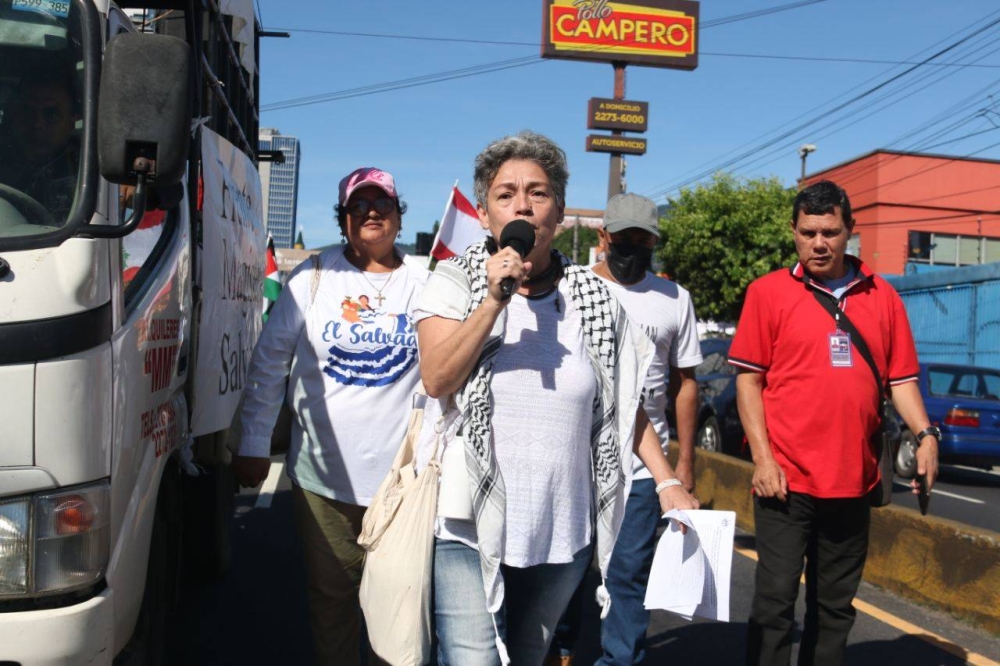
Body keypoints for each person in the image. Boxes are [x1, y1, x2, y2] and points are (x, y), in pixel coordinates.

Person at [415, 130, 699, 666]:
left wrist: (666, 480)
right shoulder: (454, 282)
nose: (523, 203)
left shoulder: (596, 300)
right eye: (506, 194)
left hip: (561, 526)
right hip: (467, 520)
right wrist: (494, 301)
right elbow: (437, 378)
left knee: (528, 656)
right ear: (484, 213)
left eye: (538, 193)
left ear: (560, 212)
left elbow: (622, 406)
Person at [728, 180, 940, 666]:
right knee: (774, 604)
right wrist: (762, 460)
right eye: (808, 233)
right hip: (784, 481)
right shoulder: (768, 293)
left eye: (829, 232)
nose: (818, 243)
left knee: (835, 609)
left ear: (850, 231)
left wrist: (926, 434)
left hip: (852, 479)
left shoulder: (883, 297)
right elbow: (748, 384)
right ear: (794, 232)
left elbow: (901, 381)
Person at [233, 167, 428, 666]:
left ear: (398, 218)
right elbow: (269, 364)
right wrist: (255, 443)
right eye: (358, 206)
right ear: (343, 220)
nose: (370, 214)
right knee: (333, 601)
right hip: (322, 484)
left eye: (381, 205)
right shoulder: (313, 279)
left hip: (404, 485)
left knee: (401, 608)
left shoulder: (425, 281)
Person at [550, 192, 703, 666]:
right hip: (572, 460)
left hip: (641, 466)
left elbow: (685, 384)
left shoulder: (674, 299)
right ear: (603, 236)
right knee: (565, 572)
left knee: (626, 576)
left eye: (643, 240)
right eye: (623, 238)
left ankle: (619, 660)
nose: (632, 248)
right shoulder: (567, 289)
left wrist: (683, 465)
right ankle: (562, 650)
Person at [0, 74, 80, 220]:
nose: (37, 124)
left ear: (72, 122)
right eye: (28, 112)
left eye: (51, 114)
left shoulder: (89, 175)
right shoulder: (4, 162)